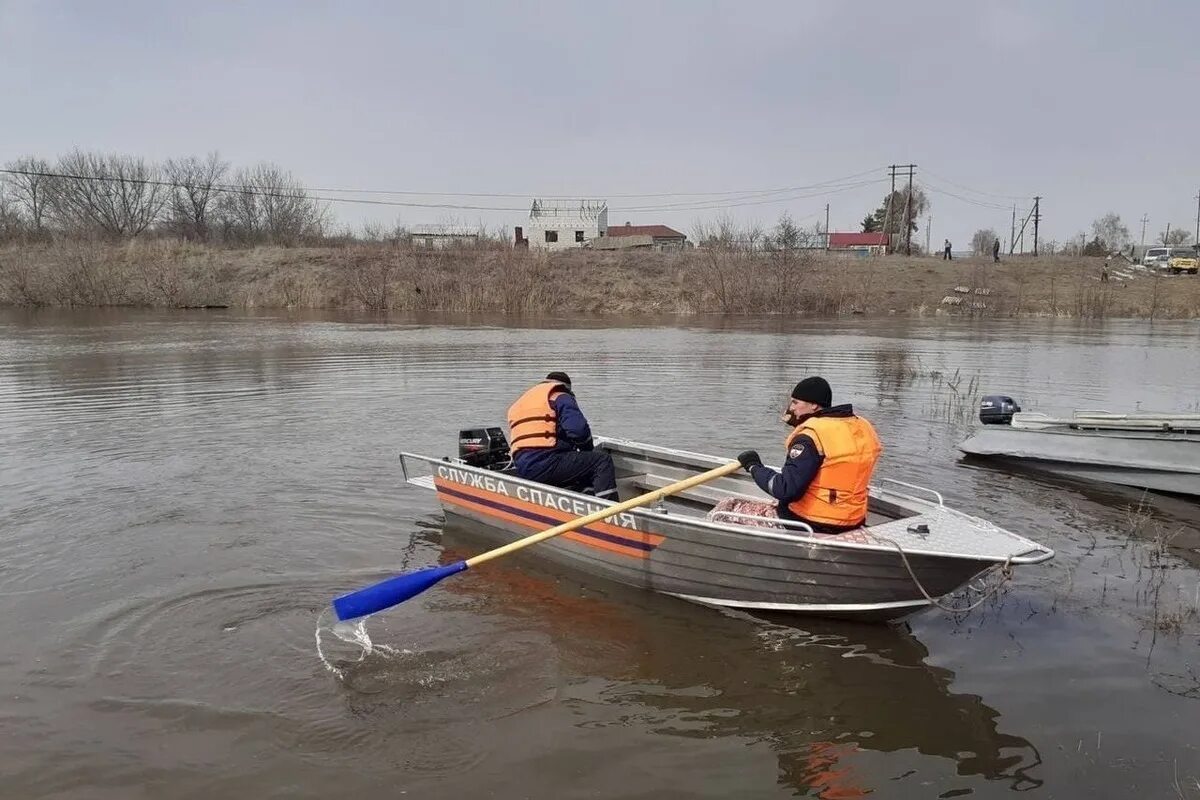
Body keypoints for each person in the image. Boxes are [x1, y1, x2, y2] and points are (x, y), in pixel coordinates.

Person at [735, 377, 882, 534]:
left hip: (812, 522)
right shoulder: (862, 427)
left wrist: (754, 466)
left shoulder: (809, 437)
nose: (791, 408)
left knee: (729, 508)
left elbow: (785, 490)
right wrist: (803, 423)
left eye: (795, 402)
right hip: (853, 520)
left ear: (813, 405)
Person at [507, 371, 618, 500]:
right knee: (601, 461)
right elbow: (579, 431)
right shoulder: (560, 396)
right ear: (566, 387)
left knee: (581, 462)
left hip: (523, 467)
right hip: (547, 463)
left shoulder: (520, 403)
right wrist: (587, 448)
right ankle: (610, 510)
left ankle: (585, 494)